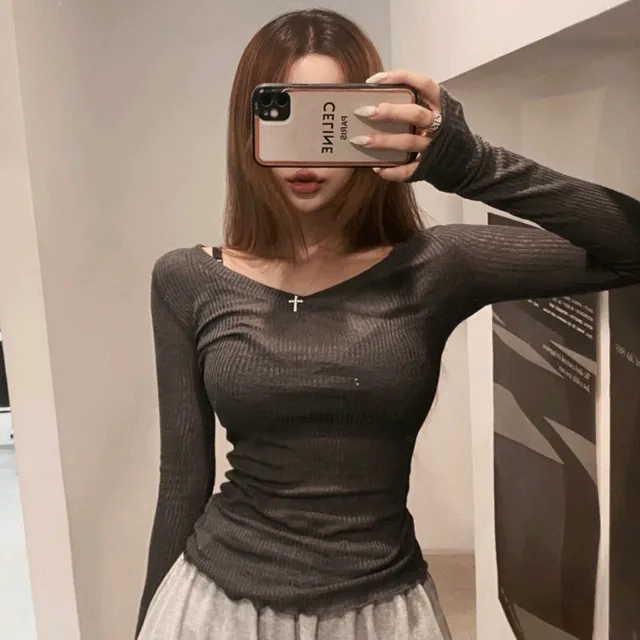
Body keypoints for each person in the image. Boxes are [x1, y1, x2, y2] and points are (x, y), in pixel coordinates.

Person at [136, 8, 640, 640]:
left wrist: (470, 164)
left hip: (382, 611)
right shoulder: (186, 278)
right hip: (217, 608)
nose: (307, 153)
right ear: (248, 127)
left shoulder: (437, 266)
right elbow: (181, 481)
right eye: (284, 114)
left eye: (331, 118)